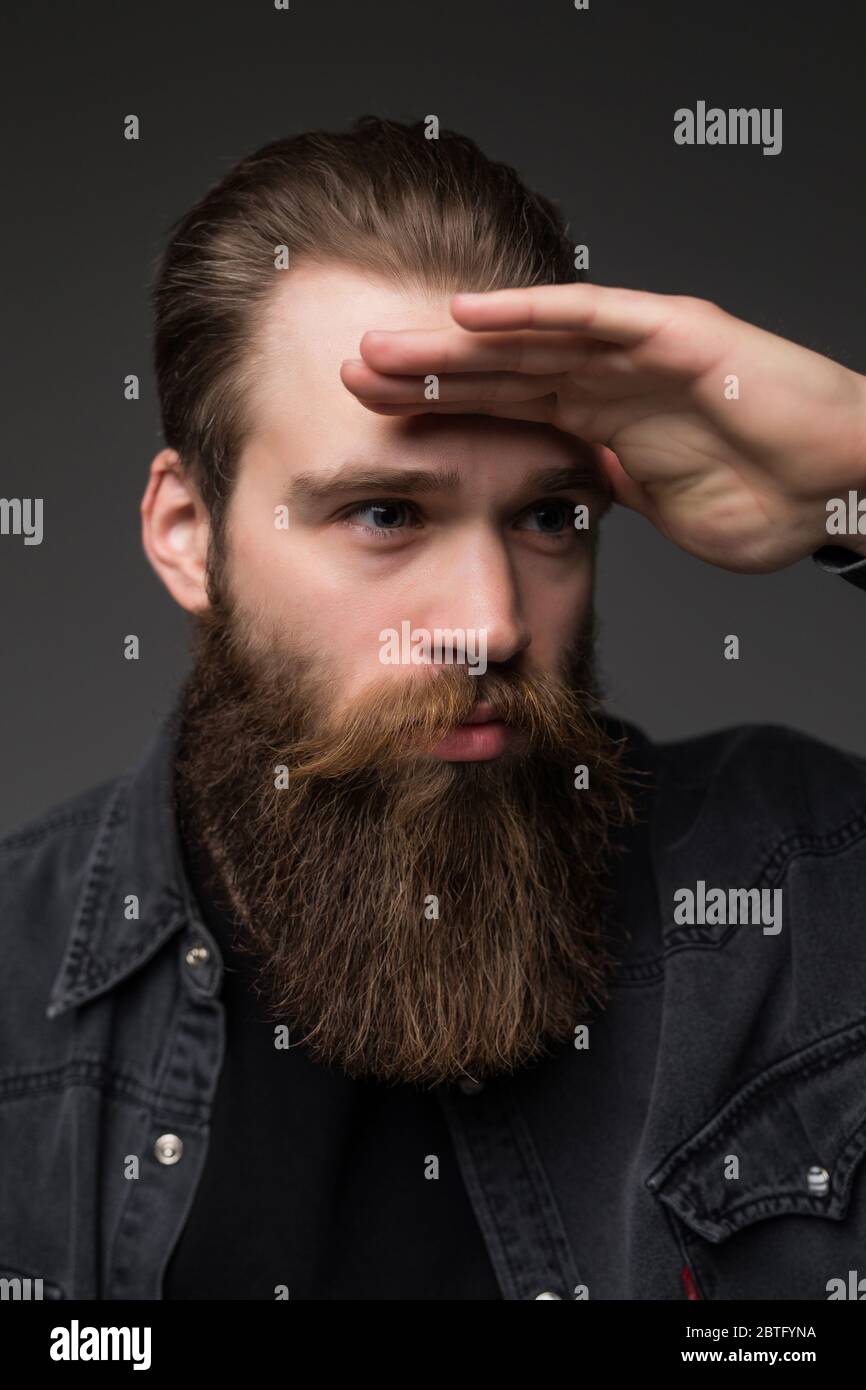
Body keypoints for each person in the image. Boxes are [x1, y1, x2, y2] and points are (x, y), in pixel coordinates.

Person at [2, 116, 866, 1303]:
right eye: (384, 514)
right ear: (187, 536)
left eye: (547, 516)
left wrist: (853, 473)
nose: (490, 622)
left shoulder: (806, 892)